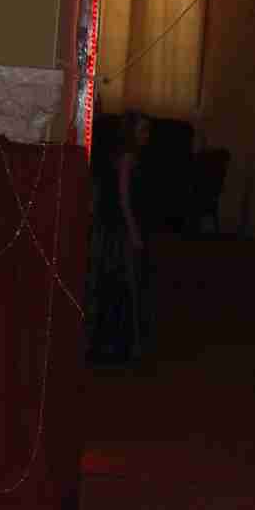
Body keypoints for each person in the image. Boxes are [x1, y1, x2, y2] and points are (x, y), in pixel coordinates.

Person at [87, 110, 153, 364]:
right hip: (120, 230)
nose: (146, 135)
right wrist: (134, 232)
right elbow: (124, 199)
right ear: (132, 132)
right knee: (127, 284)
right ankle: (125, 343)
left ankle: (116, 342)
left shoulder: (127, 156)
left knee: (118, 283)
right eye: (143, 130)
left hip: (117, 228)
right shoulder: (126, 158)